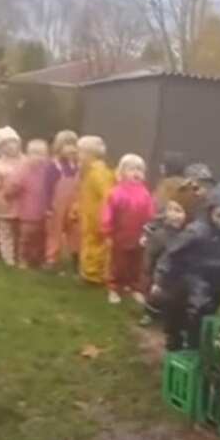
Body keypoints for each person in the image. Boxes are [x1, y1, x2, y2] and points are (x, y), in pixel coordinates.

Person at [151, 186, 220, 351]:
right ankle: (176, 344)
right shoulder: (196, 231)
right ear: (210, 212)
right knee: (184, 313)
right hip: (189, 279)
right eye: (219, 215)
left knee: (206, 316)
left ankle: (197, 347)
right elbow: (171, 254)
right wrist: (160, 280)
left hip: (216, 281)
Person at [101, 154, 155, 305]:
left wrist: (149, 230)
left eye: (139, 169)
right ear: (122, 171)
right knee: (118, 264)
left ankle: (134, 287)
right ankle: (114, 288)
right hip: (119, 235)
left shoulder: (145, 193)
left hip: (139, 236)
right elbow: (107, 213)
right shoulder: (116, 192)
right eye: (132, 169)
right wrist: (107, 231)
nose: (136, 173)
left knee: (136, 264)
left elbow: (150, 213)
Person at [75, 135, 115, 285]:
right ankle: (89, 273)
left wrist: (106, 216)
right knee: (90, 244)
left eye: (80, 152)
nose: (78, 156)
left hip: (97, 218)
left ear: (89, 154)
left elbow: (107, 195)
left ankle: (94, 276)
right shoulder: (89, 172)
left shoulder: (98, 173)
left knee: (96, 246)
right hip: (89, 215)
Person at [140, 199, 187, 326]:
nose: (175, 215)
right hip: (159, 275)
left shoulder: (188, 234)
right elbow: (150, 254)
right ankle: (149, 313)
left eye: (179, 211)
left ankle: (172, 315)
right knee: (155, 295)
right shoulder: (160, 235)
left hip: (179, 275)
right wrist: (148, 271)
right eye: (171, 210)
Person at [0, 127, 24, 268]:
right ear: (0, 148)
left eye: (13, 142)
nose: (11, 147)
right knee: (5, 230)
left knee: (21, 231)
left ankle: (21, 256)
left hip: (21, 202)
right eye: (6, 144)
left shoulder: (25, 161)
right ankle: (8, 258)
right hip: (4, 202)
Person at [11, 139, 51, 269]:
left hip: (44, 211)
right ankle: (23, 258)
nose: (38, 157)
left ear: (47, 155)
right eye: (34, 153)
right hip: (27, 211)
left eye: (41, 154)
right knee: (26, 236)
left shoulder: (48, 169)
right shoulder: (23, 169)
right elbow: (14, 185)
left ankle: (39, 258)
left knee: (42, 237)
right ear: (27, 155)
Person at [43, 130, 80, 271]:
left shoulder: (77, 166)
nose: (71, 148)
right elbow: (47, 188)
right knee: (54, 232)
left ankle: (76, 256)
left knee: (75, 230)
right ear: (59, 147)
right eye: (67, 145)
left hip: (73, 204)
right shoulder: (53, 166)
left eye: (74, 145)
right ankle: (51, 258)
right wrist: (48, 206)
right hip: (57, 205)